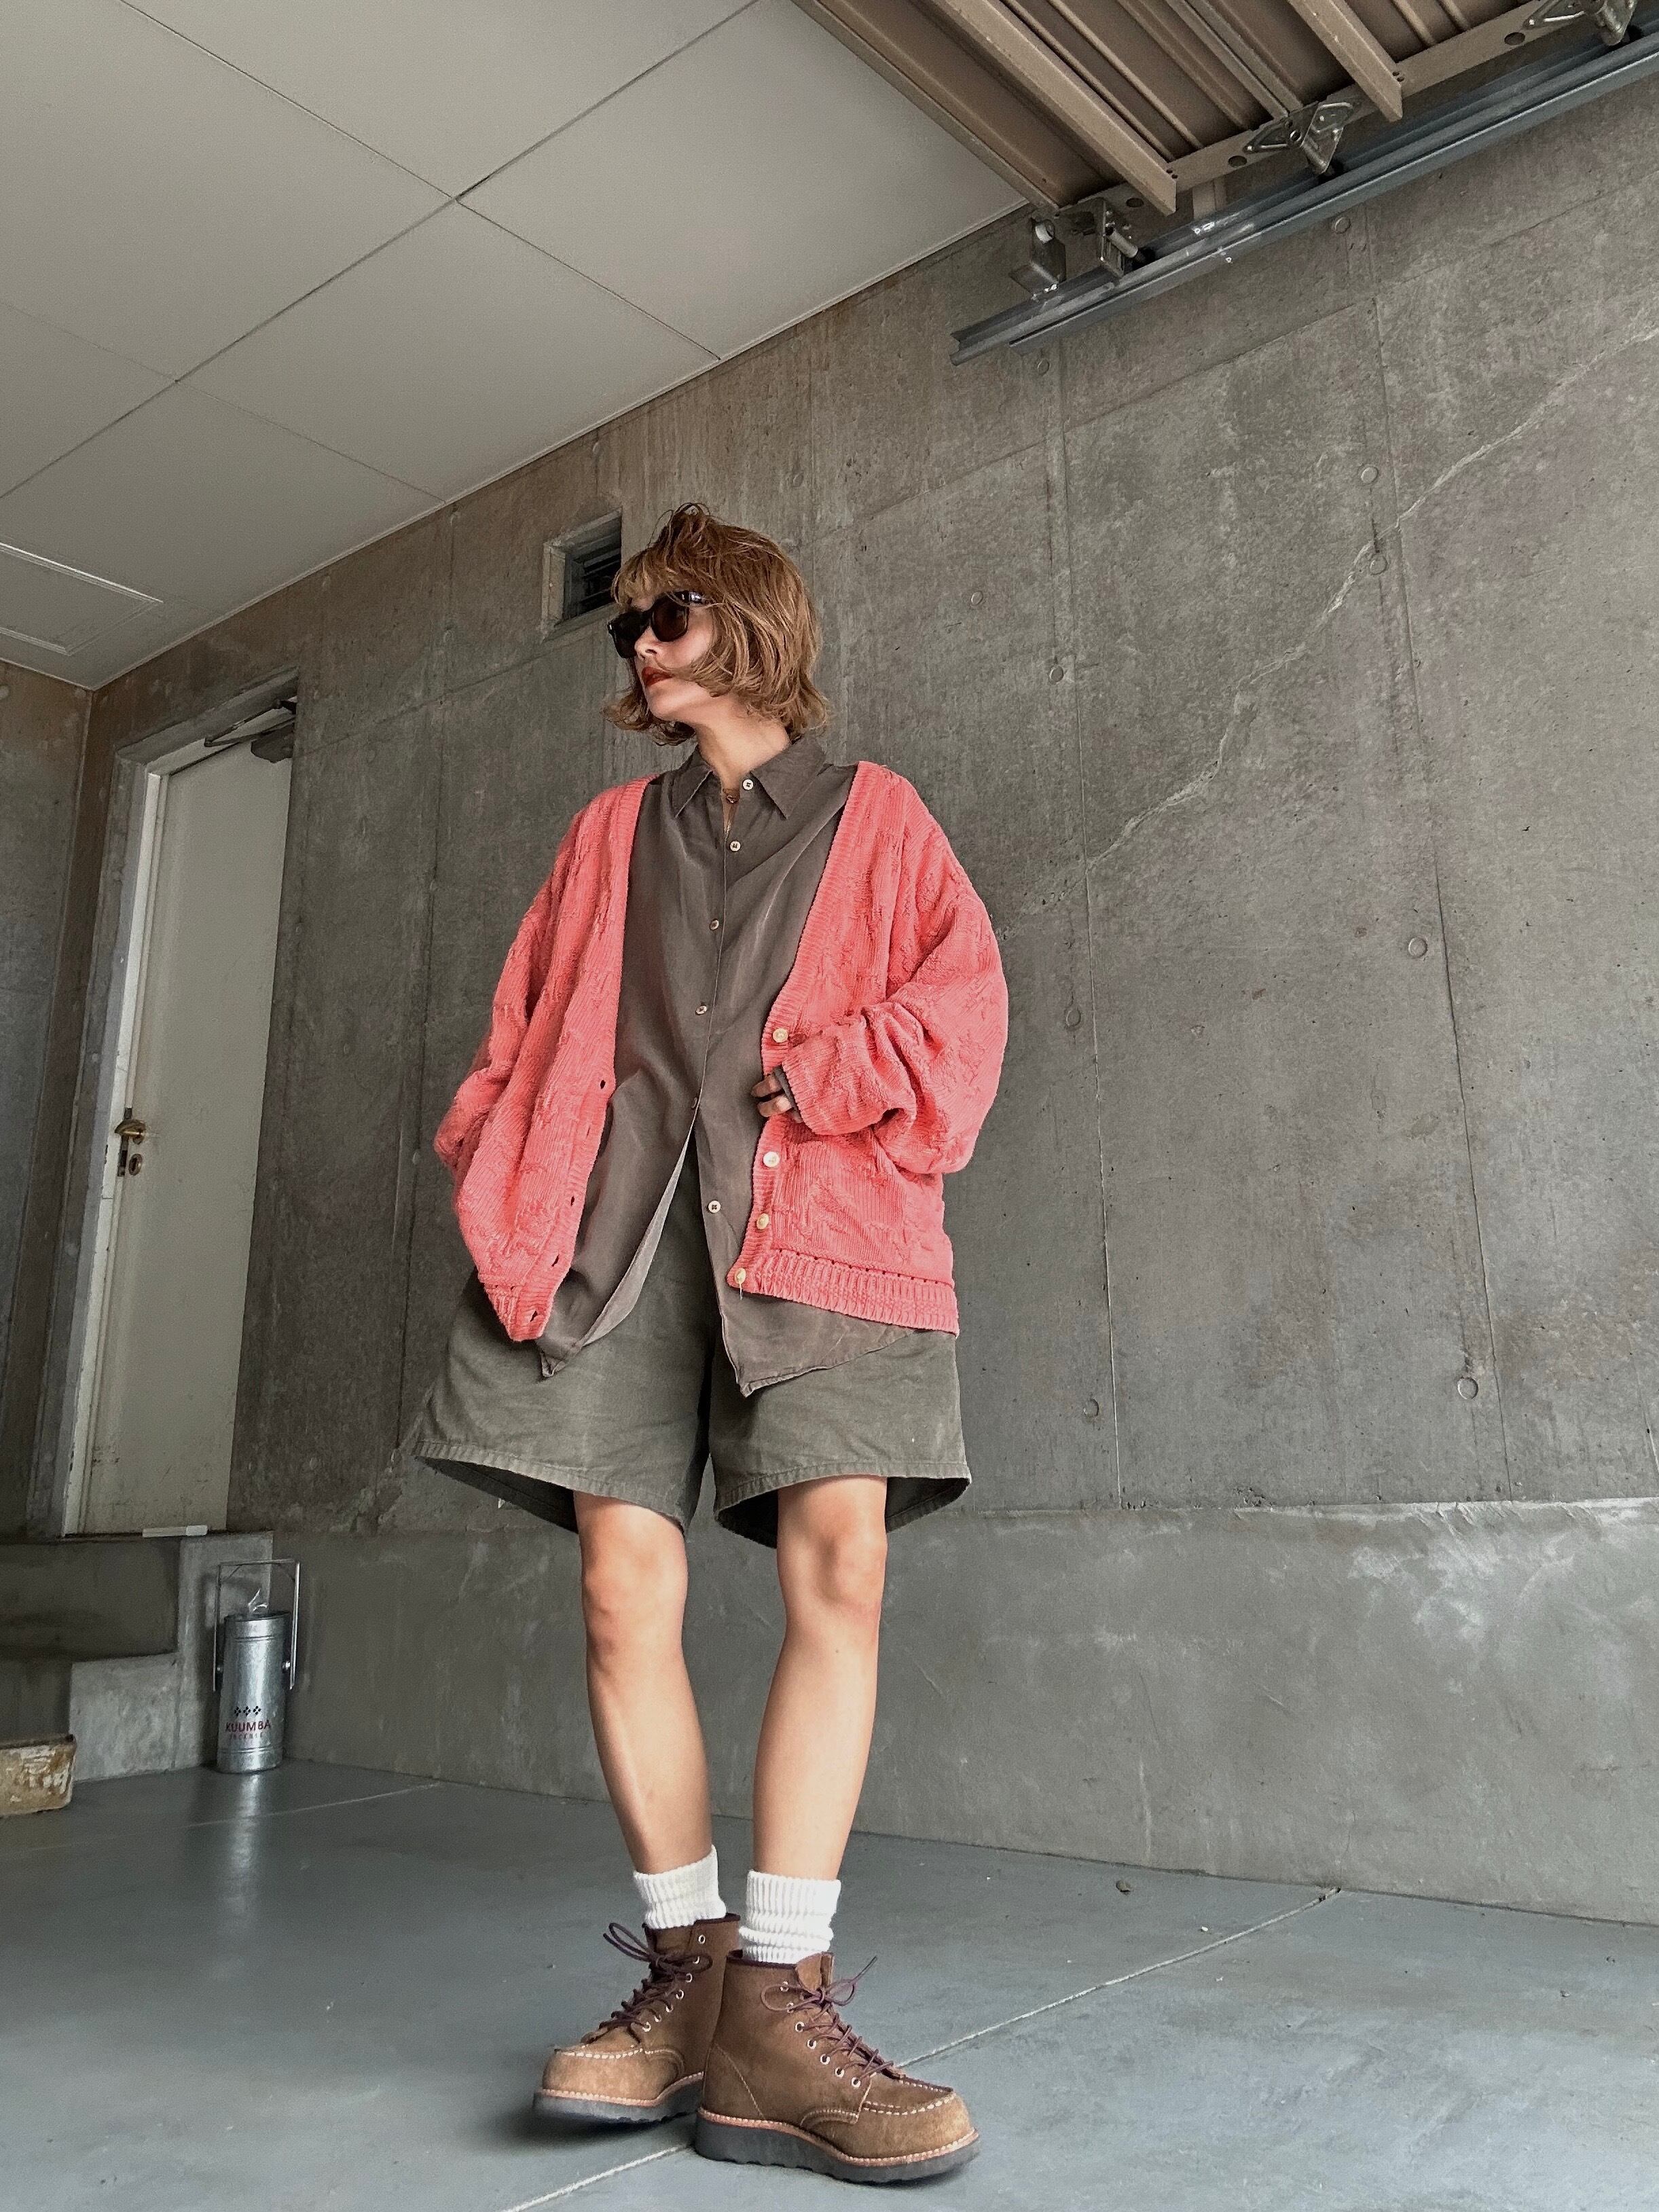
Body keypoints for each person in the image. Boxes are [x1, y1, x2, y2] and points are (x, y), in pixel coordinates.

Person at [404, 502, 1008, 2184]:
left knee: (841, 1567)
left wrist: (826, 1069)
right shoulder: (610, 834)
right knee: (619, 1587)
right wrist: (496, 1151)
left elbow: (964, 1007)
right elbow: (522, 1028)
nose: (638, 646)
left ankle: (779, 1997)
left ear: (745, 622)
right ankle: (684, 1974)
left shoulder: (880, 817)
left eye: (662, 616)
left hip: (820, 1229)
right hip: (615, 1238)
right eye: (626, 627)